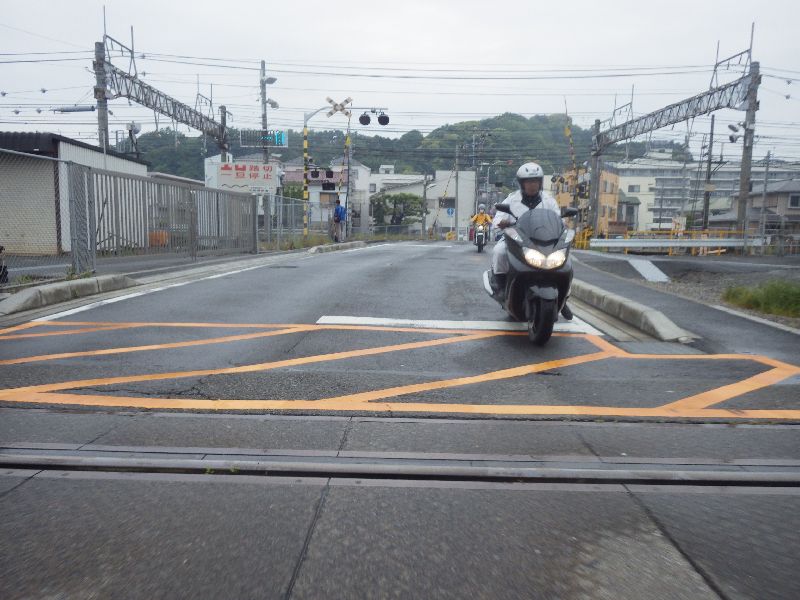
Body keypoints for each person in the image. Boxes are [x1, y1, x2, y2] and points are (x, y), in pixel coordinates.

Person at [489, 162, 573, 320]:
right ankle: (500, 287)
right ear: (522, 183)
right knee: (499, 252)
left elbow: (558, 219)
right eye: (528, 181)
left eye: (535, 181)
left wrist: (563, 224)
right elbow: (497, 220)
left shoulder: (549, 200)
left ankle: (564, 298)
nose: (532, 185)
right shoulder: (512, 199)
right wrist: (502, 223)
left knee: (566, 261)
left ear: (540, 182)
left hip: (544, 241)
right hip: (517, 240)